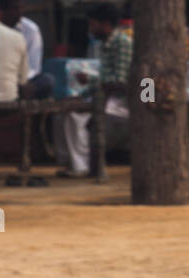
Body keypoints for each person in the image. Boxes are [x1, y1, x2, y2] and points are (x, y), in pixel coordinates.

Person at [53, 2, 132, 178]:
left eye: (93, 24)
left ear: (106, 24)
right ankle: (70, 162)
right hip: (105, 96)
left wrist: (90, 82)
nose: (90, 29)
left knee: (76, 116)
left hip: (120, 102)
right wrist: (81, 96)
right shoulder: (104, 45)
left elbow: (119, 82)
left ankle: (82, 165)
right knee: (62, 112)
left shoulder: (122, 43)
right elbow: (104, 81)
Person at [0, 0, 53, 99]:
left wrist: (21, 82)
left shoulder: (30, 30)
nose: (20, 12)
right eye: (15, 9)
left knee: (47, 81)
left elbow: (33, 67)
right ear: (3, 11)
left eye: (21, 8)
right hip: (0, 80)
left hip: (21, 82)